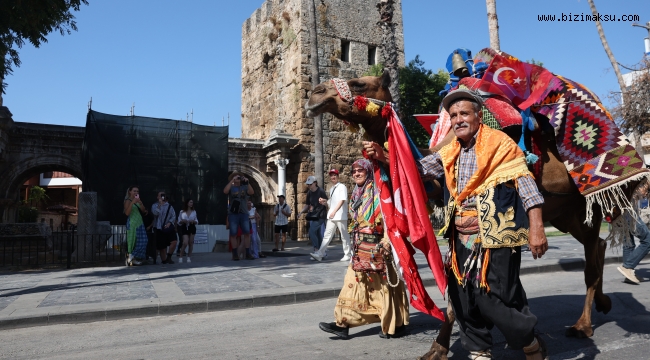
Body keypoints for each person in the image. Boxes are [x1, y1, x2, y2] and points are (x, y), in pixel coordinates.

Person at [364, 88, 549, 359]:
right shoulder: (450, 151)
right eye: (453, 115)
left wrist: (537, 228)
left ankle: (530, 341)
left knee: (494, 299)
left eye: (464, 113)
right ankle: (479, 351)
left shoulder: (501, 145)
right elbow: (418, 170)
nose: (458, 119)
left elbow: (527, 188)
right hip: (460, 238)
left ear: (478, 116)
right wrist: (384, 156)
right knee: (462, 297)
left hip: (497, 237)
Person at [318, 159, 409, 339]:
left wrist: (386, 243)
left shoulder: (379, 194)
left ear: (368, 171)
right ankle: (342, 324)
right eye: (354, 172)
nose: (357, 174)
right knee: (351, 284)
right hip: (360, 249)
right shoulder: (356, 195)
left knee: (383, 288)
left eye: (360, 171)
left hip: (378, 249)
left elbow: (388, 220)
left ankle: (394, 325)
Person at [310, 169, 351, 262]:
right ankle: (320, 254)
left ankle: (348, 254)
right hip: (332, 216)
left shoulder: (342, 187)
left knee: (344, 236)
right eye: (331, 175)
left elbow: (342, 200)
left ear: (338, 176)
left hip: (340, 215)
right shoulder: (332, 189)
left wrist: (334, 211)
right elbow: (331, 203)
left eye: (335, 175)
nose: (333, 177)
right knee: (327, 235)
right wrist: (324, 202)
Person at [618, 181, 650, 284]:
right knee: (648, 240)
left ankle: (628, 274)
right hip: (630, 214)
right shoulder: (641, 174)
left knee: (628, 244)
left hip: (620, 213)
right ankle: (628, 266)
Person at [224, 172, 254, 260]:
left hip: (244, 213)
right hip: (233, 213)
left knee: (247, 233)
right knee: (233, 234)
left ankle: (248, 252)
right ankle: (235, 254)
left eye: (238, 177)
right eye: (236, 177)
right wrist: (232, 181)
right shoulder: (231, 187)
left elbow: (251, 192)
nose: (238, 178)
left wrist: (247, 182)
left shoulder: (244, 187)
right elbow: (225, 191)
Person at [300, 175, 328, 253]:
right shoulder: (309, 193)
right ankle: (322, 251)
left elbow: (327, 202)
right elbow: (307, 204)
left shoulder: (321, 191)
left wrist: (323, 201)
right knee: (318, 233)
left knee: (312, 231)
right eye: (308, 184)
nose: (309, 185)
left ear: (315, 183)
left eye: (310, 184)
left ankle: (316, 249)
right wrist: (301, 212)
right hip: (314, 215)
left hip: (321, 215)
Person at [123, 186, 149, 266]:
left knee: (144, 240)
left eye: (137, 191)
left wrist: (140, 203)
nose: (136, 192)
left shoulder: (138, 200)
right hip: (132, 223)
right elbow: (127, 213)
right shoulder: (128, 201)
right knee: (133, 241)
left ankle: (132, 256)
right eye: (134, 191)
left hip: (139, 222)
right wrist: (132, 202)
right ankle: (132, 257)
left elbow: (143, 210)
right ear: (130, 192)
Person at [151, 191, 178, 264]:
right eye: (161, 195)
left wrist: (169, 223)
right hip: (159, 228)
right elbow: (155, 214)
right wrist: (160, 204)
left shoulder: (169, 206)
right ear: (157, 197)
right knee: (162, 246)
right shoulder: (154, 205)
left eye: (163, 195)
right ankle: (164, 260)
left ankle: (169, 256)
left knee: (174, 241)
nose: (162, 197)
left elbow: (173, 216)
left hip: (168, 227)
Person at [177, 199, 198, 264]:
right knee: (185, 242)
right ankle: (180, 256)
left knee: (191, 242)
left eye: (192, 202)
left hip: (191, 226)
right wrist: (183, 221)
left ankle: (189, 257)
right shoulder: (182, 212)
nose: (191, 204)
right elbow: (179, 221)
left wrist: (193, 221)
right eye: (190, 202)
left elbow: (196, 220)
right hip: (184, 226)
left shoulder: (194, 211)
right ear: (187, 203)